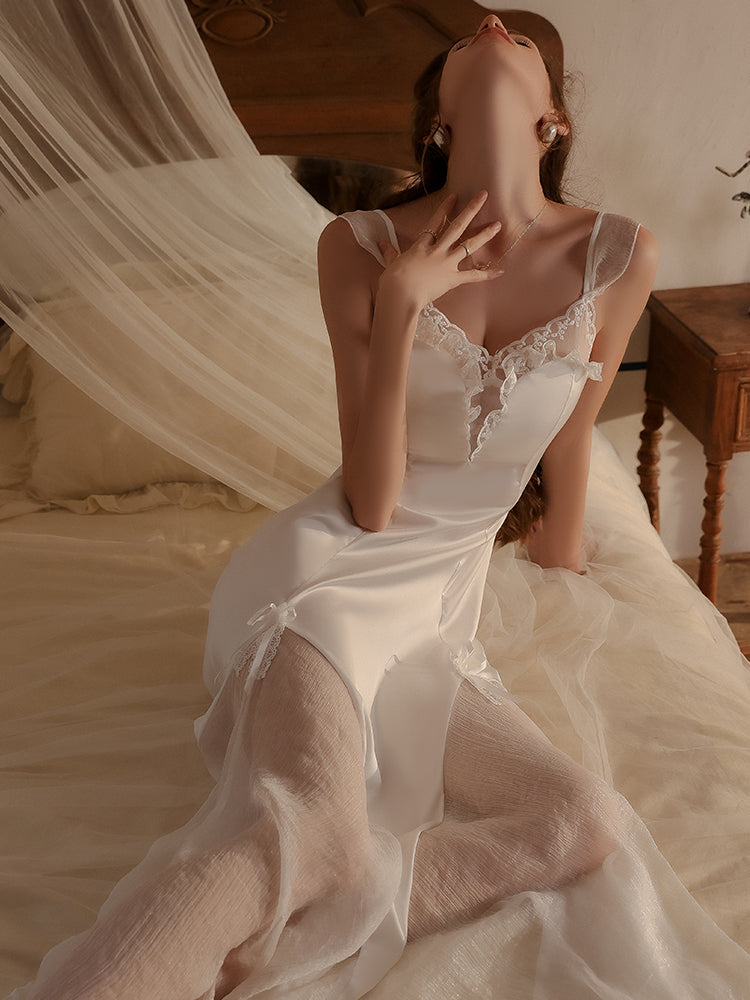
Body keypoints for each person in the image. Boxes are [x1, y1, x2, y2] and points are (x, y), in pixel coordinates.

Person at [22, 12, 743, 1000]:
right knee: (308, 820)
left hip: (432, 615)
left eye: (521, 39)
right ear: (437, 122)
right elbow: (369, 501)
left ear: (555, 122)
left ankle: (319, 910)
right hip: (320, 580)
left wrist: (572, 569)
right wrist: (404, 304)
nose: (491, 21)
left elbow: (570, 435)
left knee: (585, 820)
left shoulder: (619, 255)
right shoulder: (358, 248)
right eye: (468, 40)